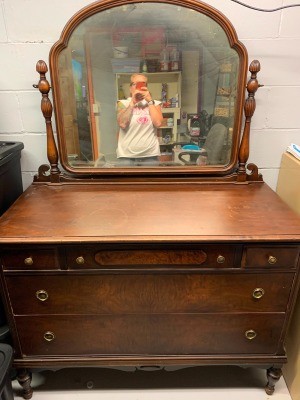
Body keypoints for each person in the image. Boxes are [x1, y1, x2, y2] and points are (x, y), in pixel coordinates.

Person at [116, 73, 163, 165]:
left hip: (150, 155)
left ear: (146, 87)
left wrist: (150, 101)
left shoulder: (155, 103)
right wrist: (132, 103)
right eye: (135, 84)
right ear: (130, 88)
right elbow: (122, 124)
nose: (138, 86)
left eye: (142, 83)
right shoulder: (123, 103)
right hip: (126, 156)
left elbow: (158, 123)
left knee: (150, 180)